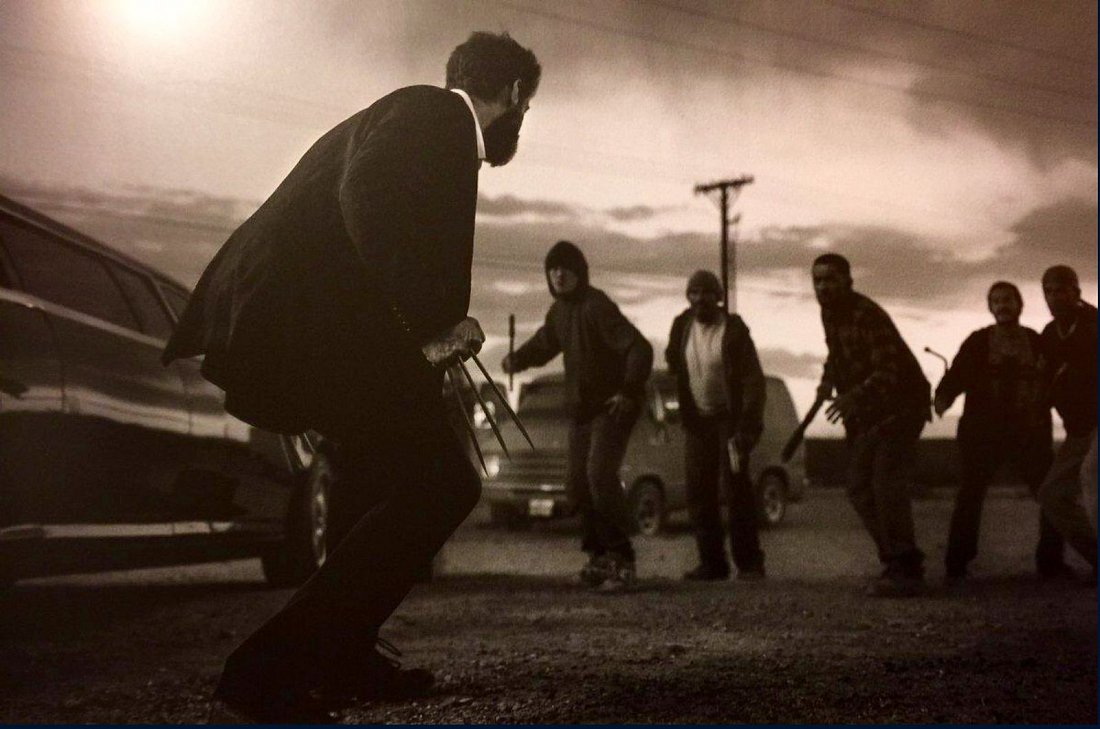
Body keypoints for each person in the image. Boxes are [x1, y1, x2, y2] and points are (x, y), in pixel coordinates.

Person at [162, 32, 540, 722]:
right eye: (527, 106)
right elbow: (364, 194)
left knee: (368, 480)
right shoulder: (437, 116)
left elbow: (365, 215)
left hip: (305, 324)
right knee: (444, 484)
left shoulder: (418, 118)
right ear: (515, 93)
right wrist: (432, 324)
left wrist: (420, 337)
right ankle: (263, 674)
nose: (523, 119)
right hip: (307, 326)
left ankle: (341, 658)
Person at [502, 240, 653, 592]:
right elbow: (544, 344)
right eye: (553, 269)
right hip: (582, 411)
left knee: (599, 475)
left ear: (579, 272)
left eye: (565, 268)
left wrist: (629, 390)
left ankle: (622, 559)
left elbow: (639, 347)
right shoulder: (559, 312)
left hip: (612, 406)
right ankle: (598, 558)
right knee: (576, 484)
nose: (558, 275)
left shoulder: (597, 305)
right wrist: (517, 360)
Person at [811, 253, 931, 597]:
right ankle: (896, 561)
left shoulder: (867, 314)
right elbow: (837, 355)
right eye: (817, 280)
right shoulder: (829, 314)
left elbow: (888, 372)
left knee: (885, 483)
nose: (823, 287)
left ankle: (905, 568)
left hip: (902, 408)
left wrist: (852, 398)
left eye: (831, 279)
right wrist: (827, 381)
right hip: (870, 414)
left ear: (848, 281)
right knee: (859, 487)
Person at [933, 281, 1067, 584]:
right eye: (996, 301)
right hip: (983, 434)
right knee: (970, 495)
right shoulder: (978, 341)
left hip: (1029, 432)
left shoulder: (1036, 341)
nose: (1003, 305)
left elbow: (1056, 380)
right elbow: (957, 375)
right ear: (990, 307)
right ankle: (956, 565)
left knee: (1050, 493)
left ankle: (1052, 563)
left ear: (1019, 304)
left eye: (1008, 299)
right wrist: (943, 398)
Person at [665, 270, 767, 581]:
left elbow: (753, 380)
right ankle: (712, 564)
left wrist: (746, 426)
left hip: (729, 422)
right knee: (698, 491)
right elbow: (673, 361)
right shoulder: (682, 326)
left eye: (707, 293)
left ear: (719, 297)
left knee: (736, 491)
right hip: (698, 421)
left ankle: (749, 564)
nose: (700, 299)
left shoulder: (733, 331)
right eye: (694, 293)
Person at [1037, 265, 1098, 582]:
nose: (1054, 297)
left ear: (1076, 292)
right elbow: (1046, 381)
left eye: (1061, 289)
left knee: (1092, 476)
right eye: (1048, 291)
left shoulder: (1094, 325)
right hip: (1079, 429)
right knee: (1053, 493)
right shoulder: (1049, 334)